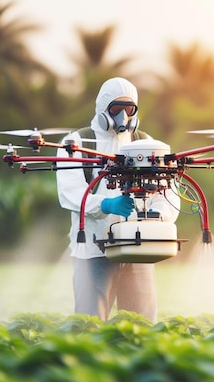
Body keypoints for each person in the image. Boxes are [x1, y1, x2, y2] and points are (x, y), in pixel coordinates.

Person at [56, 77, 180, 322]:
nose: (123, 115)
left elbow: (169, 189)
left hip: (138, 246)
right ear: (103, 108)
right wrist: (104, 204)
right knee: (89, 321)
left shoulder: (145, 143)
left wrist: (159, 215)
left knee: (141, 323)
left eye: (129, 109)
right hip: (93, 248)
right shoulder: (77, 143)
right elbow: (70, 192)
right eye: (116, 109)